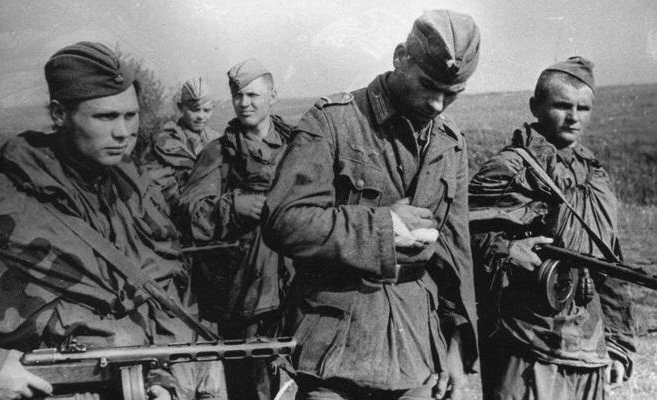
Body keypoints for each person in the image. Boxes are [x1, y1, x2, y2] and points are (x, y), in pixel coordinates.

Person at [0, 42, 226, 400]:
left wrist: (163, 377)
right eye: (106, 117)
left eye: (131, 116)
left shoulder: (136, 194)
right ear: (60, 114)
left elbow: (167, 299)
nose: (123, 132)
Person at [260, 10, 481, 400]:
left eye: (452, 93)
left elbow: (455, 254)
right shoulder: (333, 122)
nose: (437, 104)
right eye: (428, 85)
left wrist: (456, 346)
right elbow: (284, 221)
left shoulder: (451, 143)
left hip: (417, 348)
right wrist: (383, 226)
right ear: (400, 57)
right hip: (335, 346)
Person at [469, 57, 636, 400]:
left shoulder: (596, 176)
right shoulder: (509, 168)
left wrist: (618, 342)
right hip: (526, 343)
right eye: (562, 106)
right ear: (536, 106)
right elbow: (457, 234)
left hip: (589, 346)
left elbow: (610, 263)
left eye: (583, 108)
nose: (573, 117)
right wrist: (507, 250)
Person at [180, 58, 293, 400]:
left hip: (294, 285)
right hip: (242, 293)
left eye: (253, 95)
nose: (244, 103)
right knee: (248, 387)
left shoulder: (297, 146)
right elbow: (189, 213)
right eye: (238, 96)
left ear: (272, 96)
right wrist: (235, 206)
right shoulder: (218, 153)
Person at [140, 77, 221, 211]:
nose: (201, 116)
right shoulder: (164, 139)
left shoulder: (216, 139)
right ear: (180, 107)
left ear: (213, 108)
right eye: (194, 110)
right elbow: (154, 184)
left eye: (206, 110)